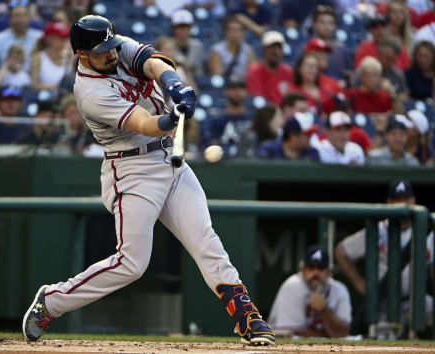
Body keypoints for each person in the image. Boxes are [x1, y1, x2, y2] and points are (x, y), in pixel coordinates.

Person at [22, 14, 276, 346]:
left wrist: (175, 85)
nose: (111, 54)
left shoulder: (114, 46)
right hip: (132, 171)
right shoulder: (90, 92)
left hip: (170, 159)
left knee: (205, 240)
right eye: (102, 51)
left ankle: (247, 317)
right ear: (82, 54)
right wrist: (173, 115)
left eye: (112, 46)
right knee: (132, 263)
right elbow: (145, 123)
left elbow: (154, 64)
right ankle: (52, 300)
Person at [335, 180, 433, 333]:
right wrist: (358, 282)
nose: (403, 203)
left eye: (407, 198)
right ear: (389, 202)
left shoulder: (426, 229)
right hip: (384, 303)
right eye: (397, 199)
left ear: (414, 200)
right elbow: (341, 251)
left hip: (417, 301)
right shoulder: (379, 229)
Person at [268, 245, 352, 338]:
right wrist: (331, 335)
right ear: (303, 270)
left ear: (329, 272)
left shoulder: (339, 290)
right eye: (311, 268)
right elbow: (294, 332)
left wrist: (324, 310)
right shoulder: (292, 285)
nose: (316, 273)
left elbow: (343, 333)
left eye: (321, 268)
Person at [0, 3, 42, 72]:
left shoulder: (39, 37)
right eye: (16, 16)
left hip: (35, 79)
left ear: (29, 18)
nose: (20, 19)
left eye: (24, 15)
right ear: (9, 19)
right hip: (6, 80)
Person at [203, 77, 251, 157]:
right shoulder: (217, 120)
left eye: (241, 88)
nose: (237, 92)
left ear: (246, 91)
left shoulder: (252, 118)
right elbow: (212, 145)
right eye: (233, 88)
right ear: (226, 92)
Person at [246, 31, 292, 105]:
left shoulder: (288, 72)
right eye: (270, 47)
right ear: (263, 50)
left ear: (282, 51)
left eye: (278, 48)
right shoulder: (254, 71)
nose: (274, 51)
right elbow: (258, 100)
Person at [310, 5, 353, 81]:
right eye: (322, 22)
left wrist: (345, 82)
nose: (326, 26)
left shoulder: (343, 50)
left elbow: (349, 74)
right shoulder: (306, 48)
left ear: (335, 26)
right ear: (314, 25)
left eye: (330, 23)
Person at [30, 22, 71, 91]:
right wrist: (52, 87)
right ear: (49, 39)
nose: (64, 41)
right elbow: (33, 85)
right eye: (61, 37)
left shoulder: (68, 57)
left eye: (65, 37)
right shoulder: (38, 58)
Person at [170, 9, 205, 78]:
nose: (183, 30)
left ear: (190, 28)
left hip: (196, 80)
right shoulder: (168, 45)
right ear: (173, 29)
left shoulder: (198, 45)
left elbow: (200, 70)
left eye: (186, 27)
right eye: (179, 27)